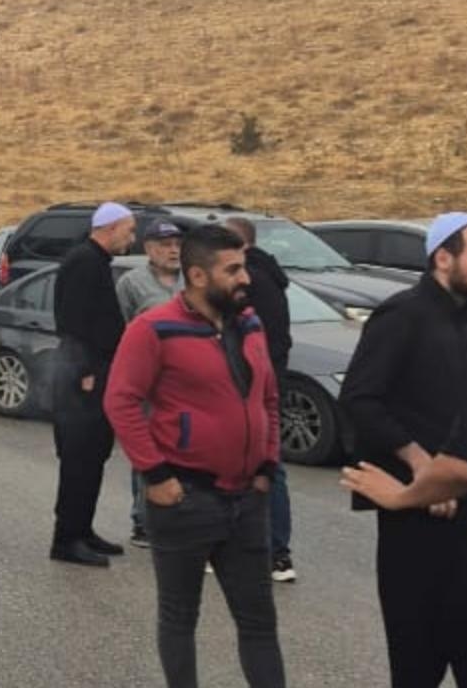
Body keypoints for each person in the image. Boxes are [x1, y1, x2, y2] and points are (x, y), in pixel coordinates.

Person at [106, 224, 286, 688]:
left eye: (244, 266)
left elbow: (268, 397)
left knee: (259, 622)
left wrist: (267, 466)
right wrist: (155, 475)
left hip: (248, 498)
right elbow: (121, 401)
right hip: (186, 497)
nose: (245, 278)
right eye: (233, 269)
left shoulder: (250, 323)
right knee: (180, 617)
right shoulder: (153, 328)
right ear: (199, 276)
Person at [338, 211, 467, 687]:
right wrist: (422, 467)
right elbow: (361, 399)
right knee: (418, 662)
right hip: (418, 523)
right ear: (443, 258)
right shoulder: (402, 314)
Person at [49, 201, 137, 566]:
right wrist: (84, 371)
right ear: (111, 228)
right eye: (129, 231)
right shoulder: (84, 262)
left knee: (94, 455)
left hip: (97, 372)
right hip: (82, 376)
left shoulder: (95, 261)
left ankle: (83, 529)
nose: (132, 238)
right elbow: (73, 321)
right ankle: (66, 540)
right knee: (79, 458)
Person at [225, 216, 298, 583]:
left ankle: (272, 551)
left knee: (264, 465)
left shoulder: (250, 281)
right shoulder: (270, 274)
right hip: (271, 376)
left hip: (255, 382)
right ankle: (274, 551)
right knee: (267, 463)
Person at [118, 218, 184, 549]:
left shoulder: (193, 279)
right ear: (148, 249)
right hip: (149, 381)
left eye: (177, 245)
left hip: (186, 381)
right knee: (146, 448)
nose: (173, 251)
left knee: (184, 448)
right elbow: (122, 328)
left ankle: (181, 516)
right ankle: (143, 521)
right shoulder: (131, 283)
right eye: (165, 245)